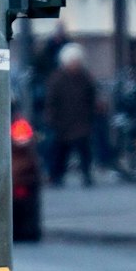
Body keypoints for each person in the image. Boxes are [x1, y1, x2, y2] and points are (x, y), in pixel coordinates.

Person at [43, 43, 97, 187]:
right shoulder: (57, 79)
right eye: (72, 62)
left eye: (77, 62)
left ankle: (87, 175)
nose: (75, 65)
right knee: (60, 152)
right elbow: (51, 100)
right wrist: (51, 118)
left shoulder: (85, 78)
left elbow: (92, 97)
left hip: (81, 121)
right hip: (62, 122)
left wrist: (92, 115)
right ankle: (56, 176)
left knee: (84, 151)